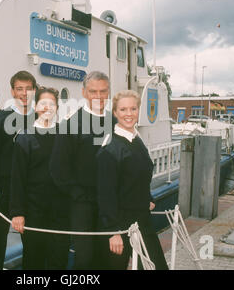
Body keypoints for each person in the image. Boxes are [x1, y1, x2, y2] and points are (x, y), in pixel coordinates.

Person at [50, 71, 115, 270]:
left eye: (103, 91)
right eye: (93, 91)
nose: (98, 96)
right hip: (82, 204)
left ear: (109, 92)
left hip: (110, 202)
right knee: (84, 259)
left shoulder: (116, 122)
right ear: (84, 93)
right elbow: (58, 168)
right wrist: (77, 194)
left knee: (107, 257)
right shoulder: (70, 124)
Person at [96, 90, 168, 270]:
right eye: (123, 109)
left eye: (133, 109)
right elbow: (106, 193)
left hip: (141, 218)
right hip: (120, 224)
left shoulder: (136, 141)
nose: (129, 114)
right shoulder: (111, 149)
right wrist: (113, 232)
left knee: (156, 266)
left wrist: (148, 198)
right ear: (115, 113)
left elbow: (138, 177)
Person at [0, 70, 37, 270]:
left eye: (28, 89)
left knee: (31, 239)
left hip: (31, 189)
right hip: (4, 189)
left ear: (34, 91)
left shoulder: (40, 119)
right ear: (12, 91)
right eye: (19, 89)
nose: (24, 93)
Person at [10, 87, 70, 270]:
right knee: (33, 260)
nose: (47, 107)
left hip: (61, 211)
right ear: (35, 107)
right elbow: (17, 178)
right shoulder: (24, 137)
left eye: (52, 104)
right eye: (43, 103)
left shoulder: (65, 135)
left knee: (59, 259)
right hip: (33, 211)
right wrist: (17, 212)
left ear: (57, 108)